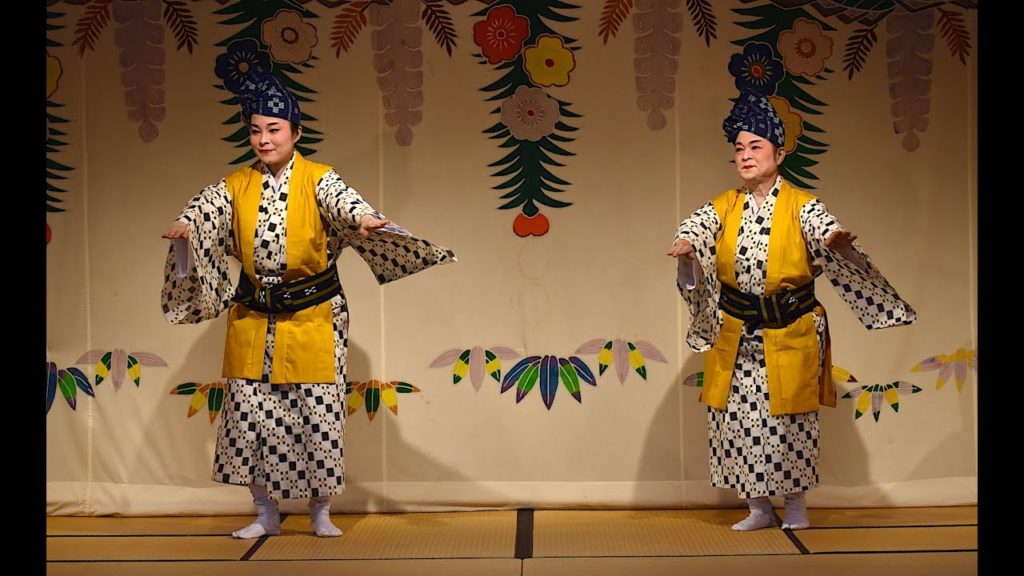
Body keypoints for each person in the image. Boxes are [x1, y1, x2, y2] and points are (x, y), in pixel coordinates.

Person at [161, 70, 456, 539]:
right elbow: (206, 208)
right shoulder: (236, 184)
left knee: (318, 416)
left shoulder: (319, 178)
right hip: (253, 317)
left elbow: (343, 202)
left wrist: (365, 218)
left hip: (314, 316)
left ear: (296, 132)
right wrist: (185, 223)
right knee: (249, 417)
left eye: (273, 129)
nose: (263, 139)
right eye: (256, 130)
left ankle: (321, 510)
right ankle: (264, 512)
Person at [667, 91, 915, 531]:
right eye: (739, 149)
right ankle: (759, 507)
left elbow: (826, 230)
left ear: (780, 153)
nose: (745, 156)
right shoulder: (725, 205)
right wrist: (688, 246)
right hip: (738, 330)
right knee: (740, 419)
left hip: (792, 326)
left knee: (791, 420)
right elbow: (697, 225)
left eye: (755, 147)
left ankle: (796, 505)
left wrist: (838, 242)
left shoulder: (802, 204)